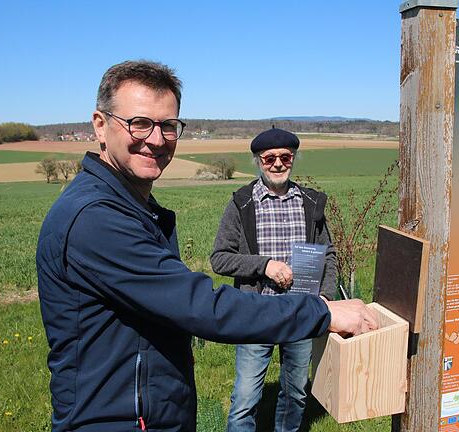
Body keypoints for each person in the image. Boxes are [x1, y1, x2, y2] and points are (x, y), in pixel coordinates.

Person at [36, 60, 378, 432]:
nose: (155, 138)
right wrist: (322, 313)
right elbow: (200, 305)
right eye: (139, 122)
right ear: (101, 126)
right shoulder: (96, 218)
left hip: (147, 414)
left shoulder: (134, 208)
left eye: (168, 125)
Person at [210, 128, 338, 431]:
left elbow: (329, 255)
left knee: (295, 393)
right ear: (258, 160)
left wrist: (326, 297)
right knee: (244, 399)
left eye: (285, 157)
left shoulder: (311, 203)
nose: (278, 163)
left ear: (293, 159)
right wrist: (264, 266)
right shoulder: (242, 203)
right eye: (270, 158)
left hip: (300, 311)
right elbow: (219, 258)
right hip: (256, 311)